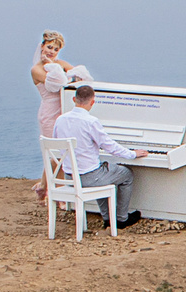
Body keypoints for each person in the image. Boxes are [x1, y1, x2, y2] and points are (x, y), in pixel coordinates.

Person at [48, 80, 146, 229]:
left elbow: (57, 143)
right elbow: (110, 146)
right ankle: (121, 218)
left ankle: (108, 218)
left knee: (100, 170)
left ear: (74, 99)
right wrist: (132, 153)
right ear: (93, 102)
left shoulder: (60, 120)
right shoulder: (91, 121)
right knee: (126, 174)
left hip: (70, 176)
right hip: (89, 178)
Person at [31, 32, 87, 204]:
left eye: (55, 49)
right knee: (56, 154)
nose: (52, 51)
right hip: (49, 113)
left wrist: (67, 71)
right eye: (49, 47)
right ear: (42, 46)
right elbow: (58, 82)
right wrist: (53, 66)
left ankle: (43, 187)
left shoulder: (60, 64)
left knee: (59, 153)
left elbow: (80, 76)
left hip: (63, 112)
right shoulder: (37, 69)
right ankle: (57, 194)